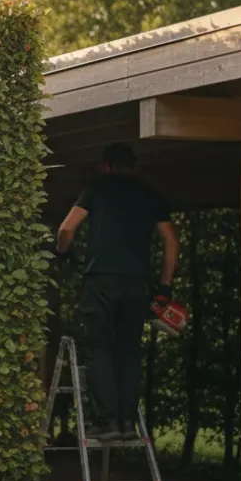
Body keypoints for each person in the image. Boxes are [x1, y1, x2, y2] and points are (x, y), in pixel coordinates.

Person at [56, 143, 179, 441]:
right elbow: (171, 242)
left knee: (98, 347)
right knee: (128, 349)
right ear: (135, 168)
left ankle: (108, 422)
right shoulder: (151, 195)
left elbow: (66, 229)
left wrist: (63, 252)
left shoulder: (96, 189)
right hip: (137, 283)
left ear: (105, 166)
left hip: (101, 281)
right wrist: (164, 285)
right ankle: (127, 422)